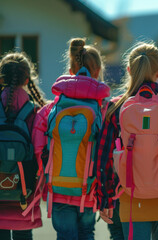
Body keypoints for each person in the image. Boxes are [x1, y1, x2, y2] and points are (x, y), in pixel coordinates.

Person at [96, 42, 158, 240]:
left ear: (129, 70)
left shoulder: (116, 108)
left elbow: (104, 157)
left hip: (128, 195)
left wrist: (104, 198)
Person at [32, 38, 110, 240]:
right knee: (86, 233)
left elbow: (39, 148)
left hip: (58, 186)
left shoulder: (51, 109)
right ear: (98, 70)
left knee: (65, 235)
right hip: (89, 187)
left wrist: (45, 174)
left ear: (70, 67)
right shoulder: (102, 109)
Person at [0, 52, 46, 240]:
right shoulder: (35, 111)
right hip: (24, 194)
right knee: (23, 234)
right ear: (27, 78)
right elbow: (39, 152)